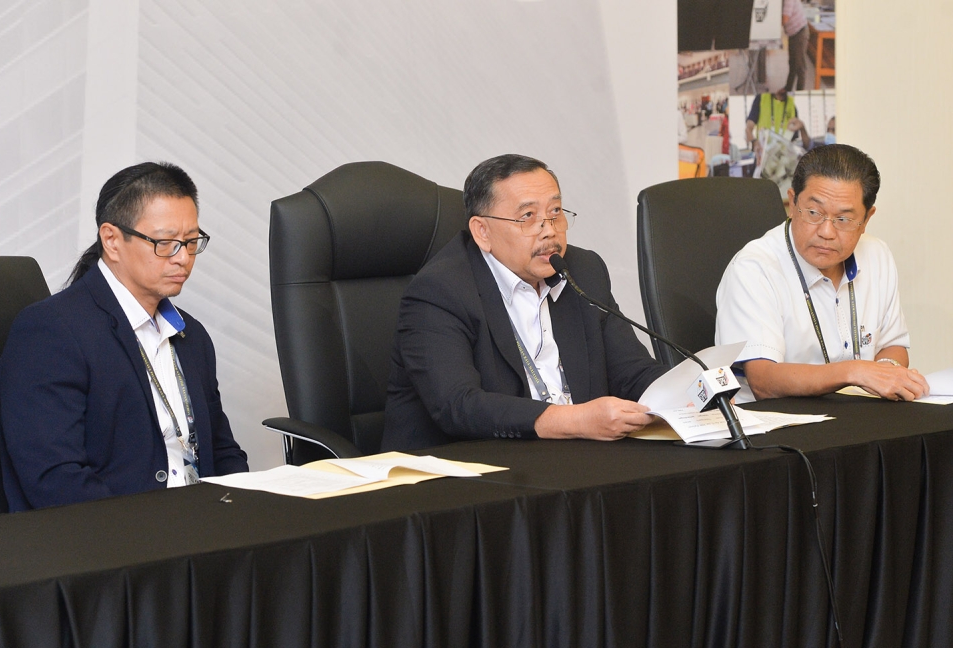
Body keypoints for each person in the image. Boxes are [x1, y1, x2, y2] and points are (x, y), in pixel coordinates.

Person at [0, 162, 248, 511]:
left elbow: (221, 451)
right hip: (112, 543)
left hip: (201, 532)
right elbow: (56, 479)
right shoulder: (50, 331)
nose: (183, 259)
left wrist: (243, 511)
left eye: (191, 242)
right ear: (112, 240)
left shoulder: (191, 335)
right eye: (165, 243)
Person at [381, 154, 666, 451]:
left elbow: (632, 373)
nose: (549, 230)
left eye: (555, 212)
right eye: (528, 216)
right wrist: (574, 420)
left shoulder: (583, 271)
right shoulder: (440, 290)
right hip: (464, 470)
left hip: (575, 458)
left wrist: (697, 390)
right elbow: (458, 405)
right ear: (482, 231)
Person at [715, 144, 930, 401]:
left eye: (843, 219)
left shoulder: (877, 254)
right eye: (814, 213)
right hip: (776, 423)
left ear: (866, 219)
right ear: (793, 203)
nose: (826, 232)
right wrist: (855, 372)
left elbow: (892, 345)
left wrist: (888, 371)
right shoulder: (755, 267)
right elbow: (763, 380)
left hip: (858, 415)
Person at [744, 89, 812, 152]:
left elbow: (796, 141)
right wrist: (754, 142)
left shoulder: (792, 106)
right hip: (763, 154)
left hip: (782, 157)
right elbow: (748, 129)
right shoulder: (761, 99)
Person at [782, 0, 810, 92]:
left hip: (799, 33)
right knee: (792, 63)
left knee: (800, 65)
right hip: (793, 33)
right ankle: (788, 88)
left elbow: (785, 19)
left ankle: (800, 93)